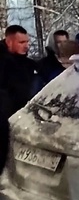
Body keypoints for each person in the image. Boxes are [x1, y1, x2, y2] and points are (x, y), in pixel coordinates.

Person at [0, 26, 38, 172]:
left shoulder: (25, 63)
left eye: (27, 42)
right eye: (21, 42)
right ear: (9, 42)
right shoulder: (4, 63)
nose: (26, 45)